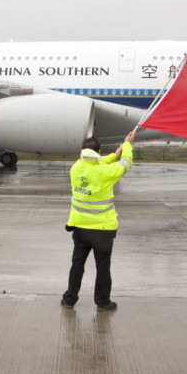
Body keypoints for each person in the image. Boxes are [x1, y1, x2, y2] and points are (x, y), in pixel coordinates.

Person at [61, 130, 136, 312]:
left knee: (77, 264)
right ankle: (102, 302)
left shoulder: (76, 167)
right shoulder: (105, 172)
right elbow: (126, 164)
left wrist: (114, 155)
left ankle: (69, 299)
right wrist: (127, 145)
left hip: (80, 227)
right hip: (102, 230)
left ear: (83, 152)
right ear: (99, 152)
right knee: (102, 267)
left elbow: (96, 161)